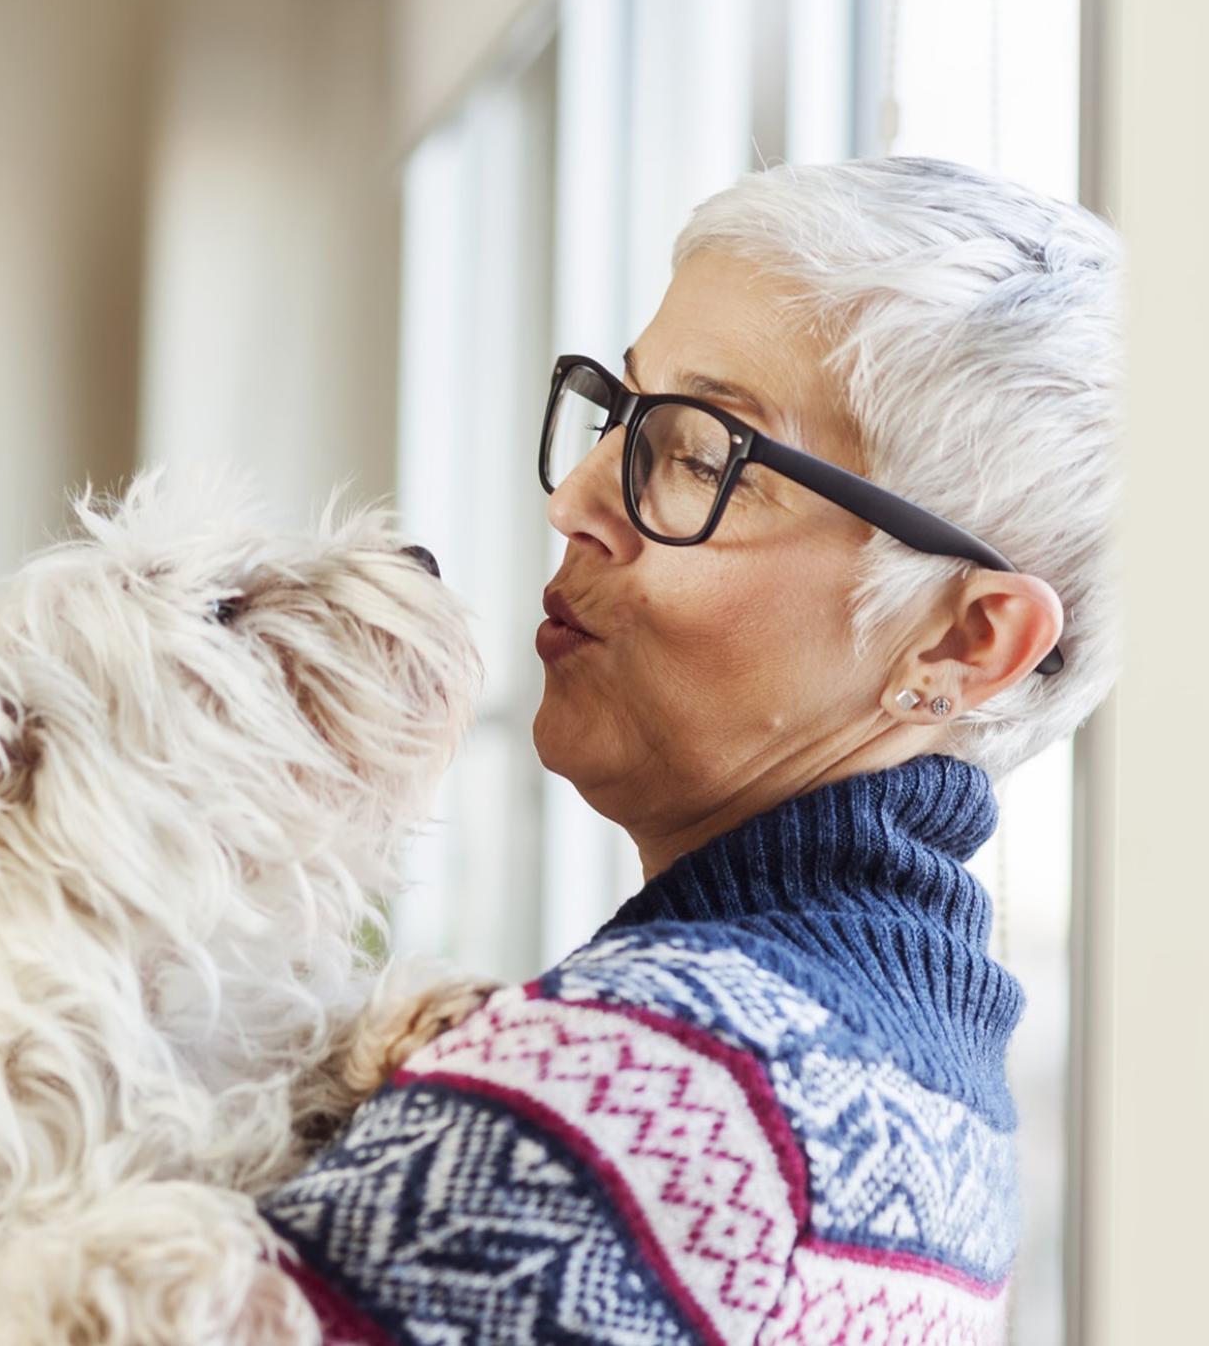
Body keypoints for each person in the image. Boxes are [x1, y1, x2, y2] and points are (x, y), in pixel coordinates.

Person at [256, 156, 1122, 1345]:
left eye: (705, 457)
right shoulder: (939, 1111)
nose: (576, 501)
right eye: (621, 414)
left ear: (967, 642)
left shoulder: (646, 1092)